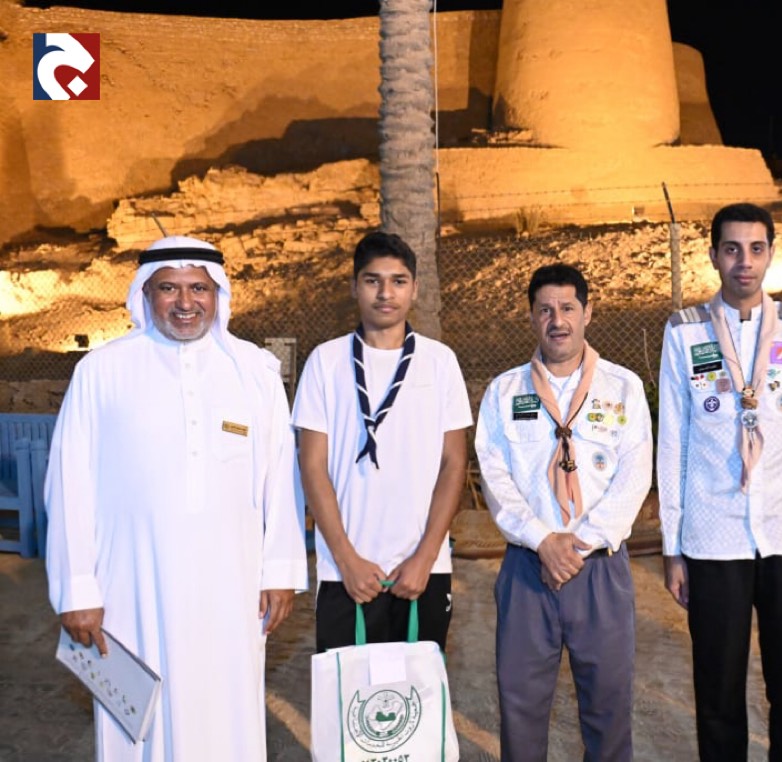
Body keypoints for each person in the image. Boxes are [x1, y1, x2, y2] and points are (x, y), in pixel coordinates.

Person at [45, 235, 308, 761]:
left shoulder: (253, 372)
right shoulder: (101, 371)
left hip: (232, 584)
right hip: (130, 585)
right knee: (139, 724)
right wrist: (75, 588)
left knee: (225, 713)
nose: (185, 302)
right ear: (145, 294)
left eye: (198, 289)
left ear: (218, 295)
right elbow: (69, 481)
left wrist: (280, 570)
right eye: (169, 288)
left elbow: (281, 477)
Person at [657, 202, 782, 762]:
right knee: (718, 696)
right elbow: (673, 444)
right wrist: (672, 546)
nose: (744, 262)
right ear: (713, 255)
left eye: (756, 249)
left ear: (771, 254)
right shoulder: (684, 332)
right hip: (715, 539)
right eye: (732, 249)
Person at [474, 264, 652, 762]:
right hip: (527, 569)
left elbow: (635, 474)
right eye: (545, 310)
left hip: (599, 571)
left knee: (608, 710)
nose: (558, 321)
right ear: (531, 317)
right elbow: (494, 476)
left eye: (568, 308)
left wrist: (577, 545)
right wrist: (543, 541)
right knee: (521, 710)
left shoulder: (623, 387)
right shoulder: (504, 392)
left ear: (587, 313)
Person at [293, 231, 471, 652]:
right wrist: (346, 559)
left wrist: (425, 557)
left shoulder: (440, 361)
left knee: (417, 693)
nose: (385, 293)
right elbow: (312, 466)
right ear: (355, 287)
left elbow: (453, 464)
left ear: (415, 289)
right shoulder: (325, 361)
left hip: (422, 571)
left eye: (398, 281)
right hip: (345, 573)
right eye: (373, 281)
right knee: (347, 693)